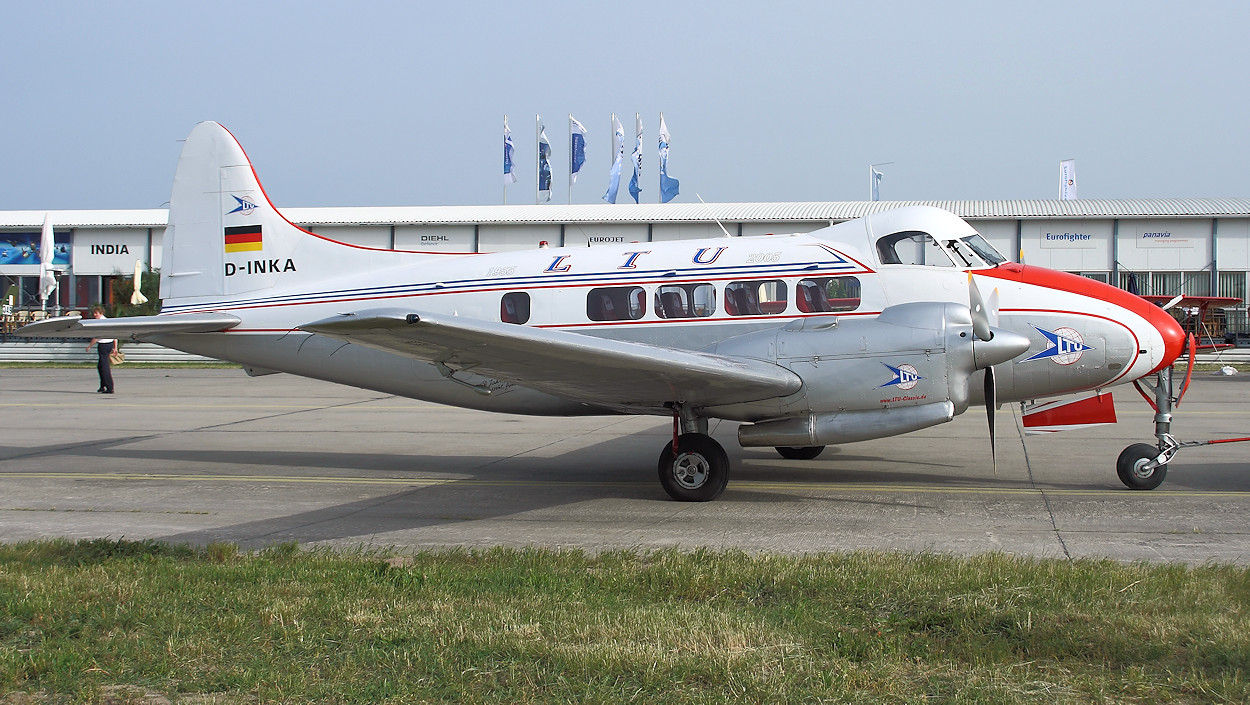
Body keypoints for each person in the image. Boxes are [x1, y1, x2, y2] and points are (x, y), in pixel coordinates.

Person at [86, 306, 114, 394]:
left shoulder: (101, 322)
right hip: (109, 343)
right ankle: (103, 386)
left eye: (96, 313)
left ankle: (109, 387)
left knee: (105, 367)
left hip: (104, 345)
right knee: (100, 366)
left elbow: (98, 337)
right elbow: (115, 335)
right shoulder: (107, 321)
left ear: (101, 313)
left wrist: (89, 346)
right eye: (94, 313)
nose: (94, 315)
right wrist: (115, 347)